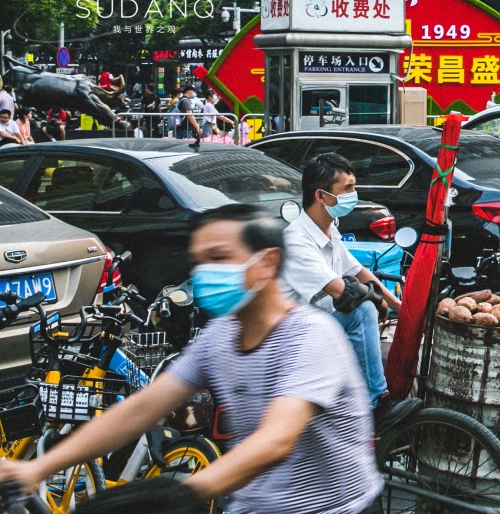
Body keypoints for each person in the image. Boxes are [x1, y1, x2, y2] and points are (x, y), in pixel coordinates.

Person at [0, 204, 384, 514]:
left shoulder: (310, 336)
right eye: (199, 262)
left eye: (219, 258)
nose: (204, 273)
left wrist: (184, 492)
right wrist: (36, 468)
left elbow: (276, 440)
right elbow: (142, 409)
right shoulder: (220, 337)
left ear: (267, 263)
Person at [278, 153, 400, 412]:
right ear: (321, 196)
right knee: (363, 309)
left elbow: (358, 271)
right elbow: (341, 290)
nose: (353, 195)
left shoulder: (330, 228)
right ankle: (376, 402)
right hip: (300, 338)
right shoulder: (296, 240)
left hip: (324, 326)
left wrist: (403, 308)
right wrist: (378, 301)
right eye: (347, 189)